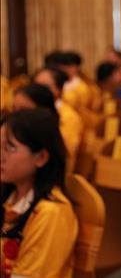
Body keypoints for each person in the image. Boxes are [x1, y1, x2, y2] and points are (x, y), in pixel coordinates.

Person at [0, 108, 78, 277]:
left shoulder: (51, 213)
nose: (1, 155)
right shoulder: (10, 198)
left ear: (41, 157)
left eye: (10, 148)